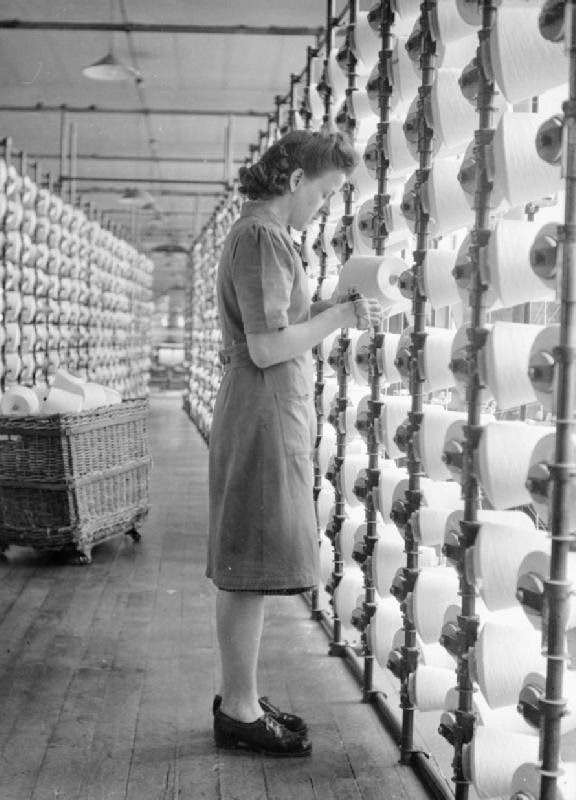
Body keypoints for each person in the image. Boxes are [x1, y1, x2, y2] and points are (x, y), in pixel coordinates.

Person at [206, 129, 382, 757]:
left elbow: (278, 325)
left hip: (268, 410)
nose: (323, 205)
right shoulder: (261, 237)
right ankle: (239, 708)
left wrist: (334, 303)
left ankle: (240, 696)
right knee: (247, 565)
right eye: (325, 191)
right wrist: (337, 317)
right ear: (293, 181)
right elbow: (266, 346)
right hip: (260, 410)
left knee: (249, 560)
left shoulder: (266, 237)